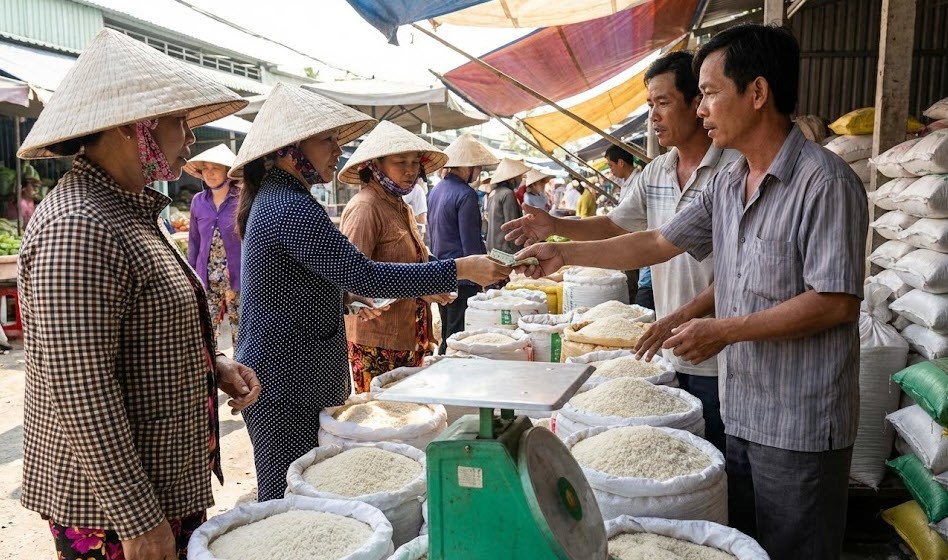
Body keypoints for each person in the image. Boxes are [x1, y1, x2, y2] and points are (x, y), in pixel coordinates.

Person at [514, 25, 867, 560]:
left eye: (710, 93)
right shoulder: (728, 183)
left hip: (800, 422)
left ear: (757, 92)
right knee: (744, 544)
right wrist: (565, 252)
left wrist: (725, 330)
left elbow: (835, 301)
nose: (701, 109)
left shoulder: (825, 183)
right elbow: (657, 241)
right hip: (743, 410)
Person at [15, 29, 260, 560]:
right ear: (133, 124)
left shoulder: (126, 208)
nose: (189, 140)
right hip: (112, 511)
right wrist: (139, 519)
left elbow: (140, 328)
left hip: (157, 483)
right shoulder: (79, 224)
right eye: (179, 122)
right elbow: (81, 387)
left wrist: (212, 363)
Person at [230, 84, 510, 501]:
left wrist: (341, 296)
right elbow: (364, 274)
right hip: (286, 377)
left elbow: (304, 279)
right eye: (327, 140)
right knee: (289, 494)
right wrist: (461, 269)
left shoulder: (285, 198)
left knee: (308, 487)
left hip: (297, 369)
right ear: (291, 149)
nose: (337, 150)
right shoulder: (288, 205)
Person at [502, 50, 740, 455]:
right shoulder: (657, 171)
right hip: (669, 343)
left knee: (720, 457)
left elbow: (740, 270)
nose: (653, 116)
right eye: (649, 105)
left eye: (663, 103)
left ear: (696, 102)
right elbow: (621, 227)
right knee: (673, 455)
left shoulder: (734, 171)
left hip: (722, 347)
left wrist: (686, 315)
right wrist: (557, 227)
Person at [337, 121, 455, 392]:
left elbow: (407, 265)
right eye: (400, 162)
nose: (410, 170)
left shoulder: (401, 207)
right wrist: (422, 288)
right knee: (384, 412)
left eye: (414, 162)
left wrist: (427, 289)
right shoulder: (365, 208)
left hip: (408, 334)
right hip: (377, 341)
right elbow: (353, 282)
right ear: (375, 165)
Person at [428, 133, 500, 353]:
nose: (479, 173)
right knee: (458, 337)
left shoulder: (436, 190)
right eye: (478, 168)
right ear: (468, 167)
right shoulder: (466, 194)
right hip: (463, 276)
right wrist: (485, 278)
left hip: (440, 271)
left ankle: (442, 363)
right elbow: (471, 243)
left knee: (447, 332)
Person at [185, 144, 242, 348]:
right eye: (205, 168)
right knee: (206, 329)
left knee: (240, 329)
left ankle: (241, 366)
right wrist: (191, 276)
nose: (209, 173)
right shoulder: (198, 201)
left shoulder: (241, 199)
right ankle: (212, 366)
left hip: (237, 276)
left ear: (228, 172)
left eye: (215, 168)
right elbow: (194, 241)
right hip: (207, 277)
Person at [486, 158, 530, 254]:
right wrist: (519, 252)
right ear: (512, 178)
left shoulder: (494, 192)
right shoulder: (508, 194)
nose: (521, 179)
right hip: (505, 249)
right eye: (519, 176)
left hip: (493, 247)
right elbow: (512, 225)